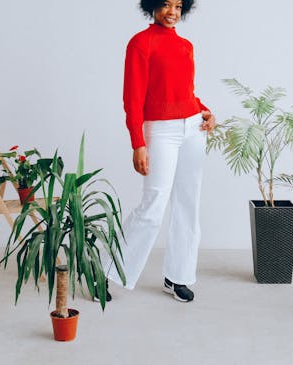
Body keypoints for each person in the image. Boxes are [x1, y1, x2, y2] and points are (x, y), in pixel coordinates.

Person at [105, 0, 216, 303]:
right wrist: (137, 142)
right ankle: (107, 271)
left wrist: (205, 111)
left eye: (179, 6)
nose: (172, 13)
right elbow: (133, 98)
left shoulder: (185, 45)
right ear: (152, 5)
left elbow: (185, 92)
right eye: (166, 4)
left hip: (193, 129)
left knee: (188, 205)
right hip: (160, 131)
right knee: (153, 206)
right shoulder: (140, 44)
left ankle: (177, 276)